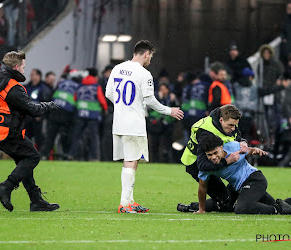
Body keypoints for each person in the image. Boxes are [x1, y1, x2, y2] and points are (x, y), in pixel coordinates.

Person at [105, 40, 184, 213]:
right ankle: (124, 204)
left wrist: (122, 107)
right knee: (131, 161)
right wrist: (168, 110)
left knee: (132, 159)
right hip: (134, 123)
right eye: (151, 56)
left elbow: (109, 93)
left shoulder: (118, 68)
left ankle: (130, 201)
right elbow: (149, 100)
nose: (150, 60)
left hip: (119, 121)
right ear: (146, 53)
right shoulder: (144, 73)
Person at [0, 51, 59, 212]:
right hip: (7, 132)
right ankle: (6, 187)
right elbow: (32, 110)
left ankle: (36, 200)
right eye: (23, 67)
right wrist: (48, 105)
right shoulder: (13, 87)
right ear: (16, 67)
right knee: (33, 156)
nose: (24, 70)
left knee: (24, 160)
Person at [194, 134, 291, 215]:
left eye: (215, 153)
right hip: (240, 188)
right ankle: (280, 206)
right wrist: (201, 209)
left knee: (242, 208)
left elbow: (249, 150)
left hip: (255, 180)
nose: (213, 157)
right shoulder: (207, 167)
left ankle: (277, 210)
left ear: (221, 147)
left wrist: (255, 151)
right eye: (209, 155)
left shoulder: (234, 147)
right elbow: (202, 187)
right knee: (275, 204)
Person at [179, 104, 247, 212]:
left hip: (216, 160)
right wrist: (227, 161)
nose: (233, 128)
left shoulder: (228, 122)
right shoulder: (206, 134)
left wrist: (243, 142)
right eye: (231, 125)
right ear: (221, 120)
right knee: (226, 203)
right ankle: (191, 207)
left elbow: (237, 136)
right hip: (197, 164)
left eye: (235, 125)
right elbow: (202, 166)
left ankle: (224, 198)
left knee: (234, 192)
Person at [68, 68, 107, 161]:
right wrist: (105, 109)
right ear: (96, 76)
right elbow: (102, 100)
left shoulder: (80, 85)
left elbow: (75, 98)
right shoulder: (96, 86)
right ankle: (94, 157)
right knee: (94, 137)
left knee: (77, 135)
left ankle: (71, 154)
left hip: (81, 113)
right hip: (93, 115)